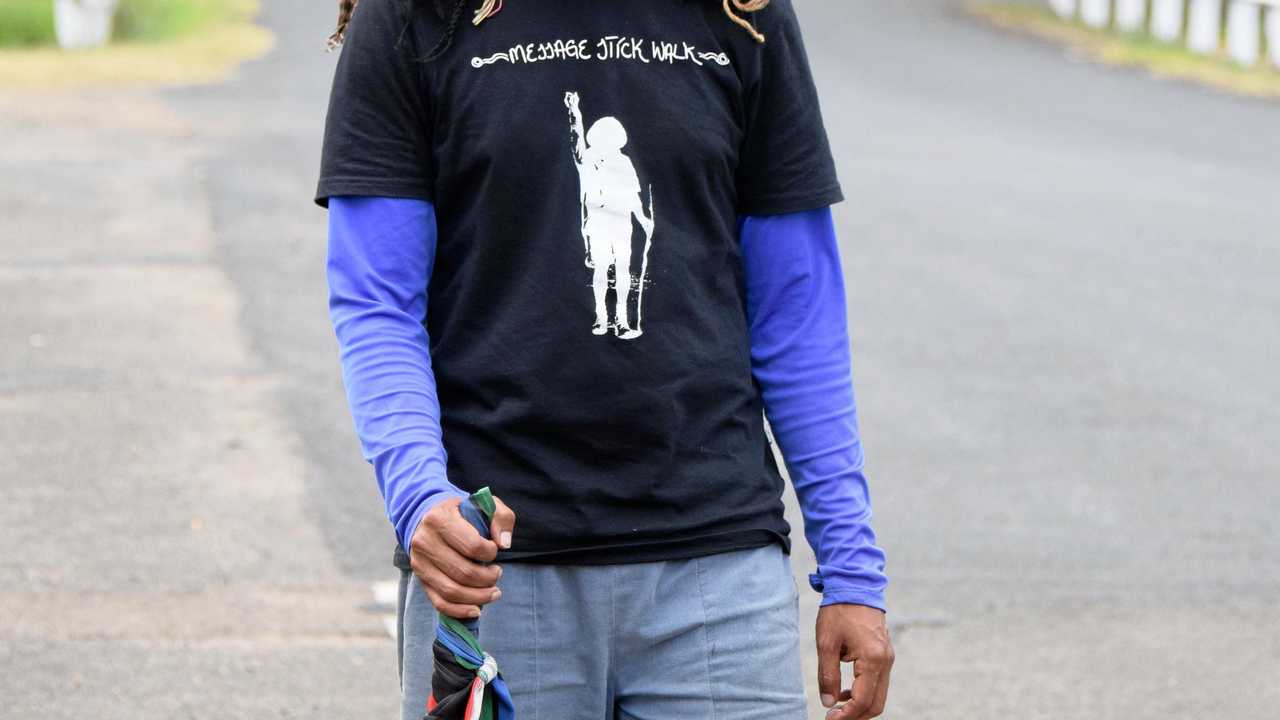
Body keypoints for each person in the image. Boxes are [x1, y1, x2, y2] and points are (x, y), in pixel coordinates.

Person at [317, 1, 894, 719]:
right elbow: (377, 303)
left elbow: (796, 315)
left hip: (718, 574)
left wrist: (853, 573)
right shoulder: (416, 14)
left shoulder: (741, 14)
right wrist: (418, 498)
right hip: (495, 573)